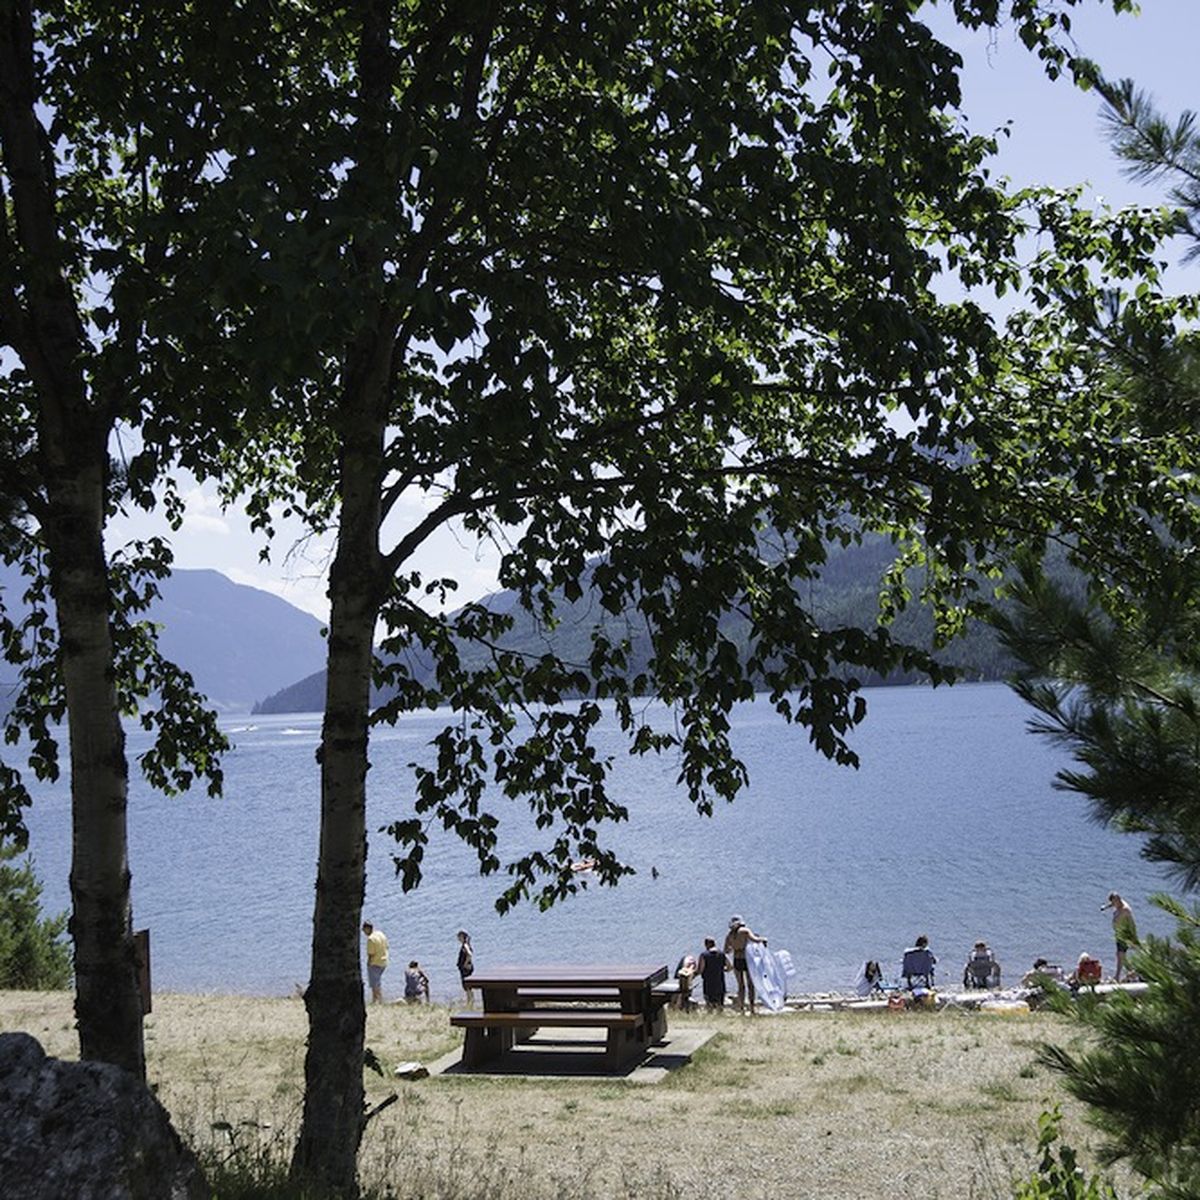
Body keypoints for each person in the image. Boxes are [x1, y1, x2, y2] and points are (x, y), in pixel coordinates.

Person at [723, 915, 768, 1014]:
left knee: (741, 986)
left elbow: (726, 950)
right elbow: (755, 939)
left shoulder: (729, 935)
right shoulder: (745, 931)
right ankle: (752, 1008)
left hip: (736, 960)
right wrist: (763, 939)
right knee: (750, 985)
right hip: (746, 960)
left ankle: (741, 1007)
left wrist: (733, 947)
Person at [1101, 891, 1138, 982]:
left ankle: (1119, 976)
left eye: (1114, 902)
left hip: (1124, 935)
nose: (1113, 904)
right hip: (1119, 934)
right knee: (1120, 956)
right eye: (1112, 903)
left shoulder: (1125, 910)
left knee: (1120, 955)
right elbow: (1112, 904)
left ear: (1118, 900)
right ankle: (1131, 972)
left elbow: (1132, 924)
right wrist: (1105, 907)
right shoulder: (1118, 904)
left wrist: (1133, 938)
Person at [362, 921, 389, 1004]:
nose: (363, 932)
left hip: (375, 963)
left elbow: (371, 954)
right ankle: (379, 1000)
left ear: (368, 928)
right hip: (384, 961)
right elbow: (387, 946)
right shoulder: (380, 934)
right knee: (377, 982)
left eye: (364, 930)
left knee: (374, 984)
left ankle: (376, 1000)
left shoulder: (371, 939)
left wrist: (368, 963)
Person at [698, 937, 728, 1010]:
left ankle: (710, 1016)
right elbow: (730, 966)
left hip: (709, 983)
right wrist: (723, 969)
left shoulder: (704, 955)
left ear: (706, 944)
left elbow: (700, 970)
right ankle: (720, 1016)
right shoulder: (721, 954)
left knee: (709, 1004)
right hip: (720, 982)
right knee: (720, 1004)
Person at [456, 929, 474, 999]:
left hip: (465, 968)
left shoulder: (465, 945)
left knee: (467, 986)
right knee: (468, 986)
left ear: (462, 936)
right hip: (467, 968)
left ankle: (470, 1001)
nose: (458, 938)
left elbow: (469, 954)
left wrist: (465, 964)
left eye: (459, 936)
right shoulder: (467, 944)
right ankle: (470, 1001)